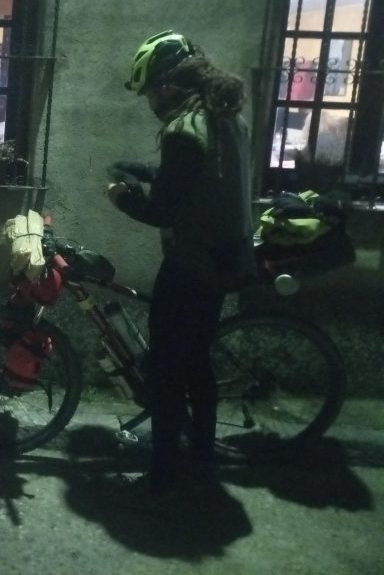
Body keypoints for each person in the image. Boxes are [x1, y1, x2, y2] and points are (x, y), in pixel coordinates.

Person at [107, 30, 255, 499]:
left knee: (167, 374)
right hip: (223, 262)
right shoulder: (228, 117)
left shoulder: (183, 130)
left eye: (150, 91)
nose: (150, 102)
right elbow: (197, 179)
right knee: (197, 366)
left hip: (189, 266)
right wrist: (146, 170)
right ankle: (202, 460)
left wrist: (120, 196)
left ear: (168, 85)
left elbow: (163, 211)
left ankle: (162, 478)